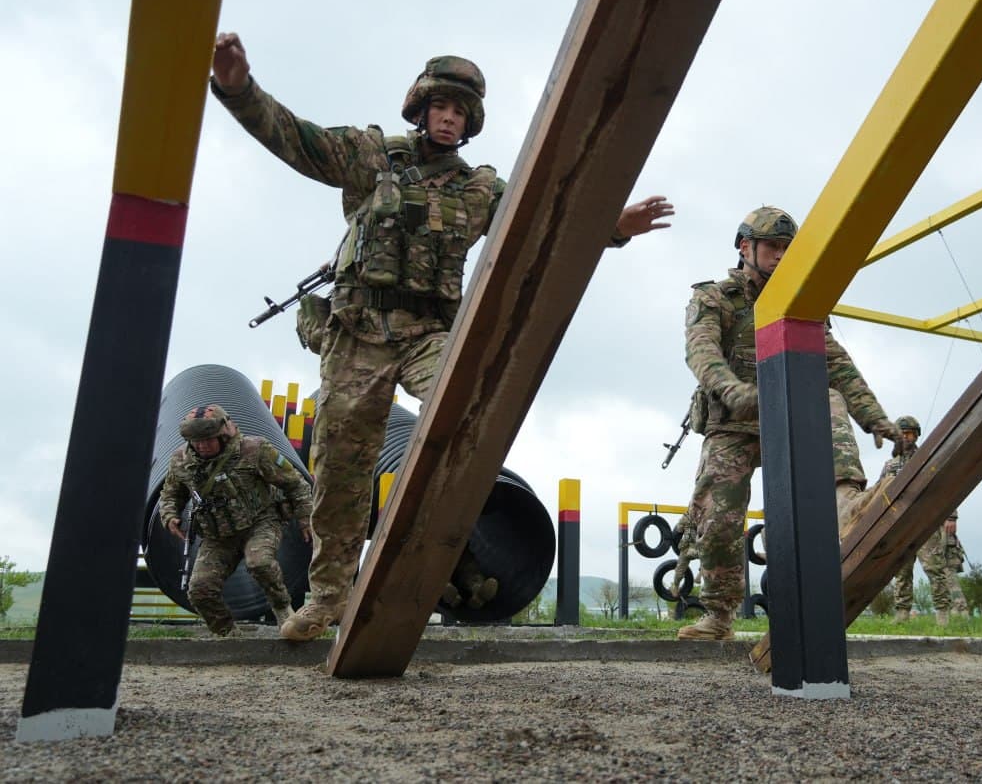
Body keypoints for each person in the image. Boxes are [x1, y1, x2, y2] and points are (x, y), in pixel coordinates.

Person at [210, 34, 674, 640]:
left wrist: (616, 226)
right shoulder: (370, 155)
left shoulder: (480, 189)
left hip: (430, 332)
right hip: (357, 334)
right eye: (442, 107)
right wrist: (239, 88)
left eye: (461, 112)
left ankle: (450, 557)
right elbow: (297, 140)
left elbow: (549, 219)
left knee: (471, 413)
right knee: (341, 468)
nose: (451, 118)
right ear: (421, 109)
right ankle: (327, 597)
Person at [674, 206, 900, 641]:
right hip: (735, 423)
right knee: (719, 518)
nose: (781, 256)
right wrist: (734, 393)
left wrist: (875, 418)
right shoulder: (715, 298)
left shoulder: (802, 303)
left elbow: (837, 365)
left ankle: (846, 503)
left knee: (827, 396)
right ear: (746, 248)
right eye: (773, 247)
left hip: (788, 419)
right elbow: (702, 353)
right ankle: (719, 615)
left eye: (787, 249)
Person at [158, 405, 314, 637]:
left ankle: (283, 608)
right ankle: (228, 633)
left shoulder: (255, 450)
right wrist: (169, 515)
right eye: (196, 441)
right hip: (218, 534)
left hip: (261, 521)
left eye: (208, 440)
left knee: (259, 562)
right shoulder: (181, 461)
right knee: (200, 588)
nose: (202, 446)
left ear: (223, 435)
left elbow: (295, 483)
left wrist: (304, 517)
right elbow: (170, 493)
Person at [883, 416, 969, 625]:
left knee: (934, 568)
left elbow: (945, 489)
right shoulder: (890, 465)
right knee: (901, 571)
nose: (906, 437)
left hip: (924, 522)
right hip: (899, 524)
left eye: (910, 433)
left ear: (916, 435)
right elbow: (880, 494)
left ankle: (942, 612)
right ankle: (902, 613)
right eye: (902, 433)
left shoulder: (927, 460)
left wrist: (951, 516)